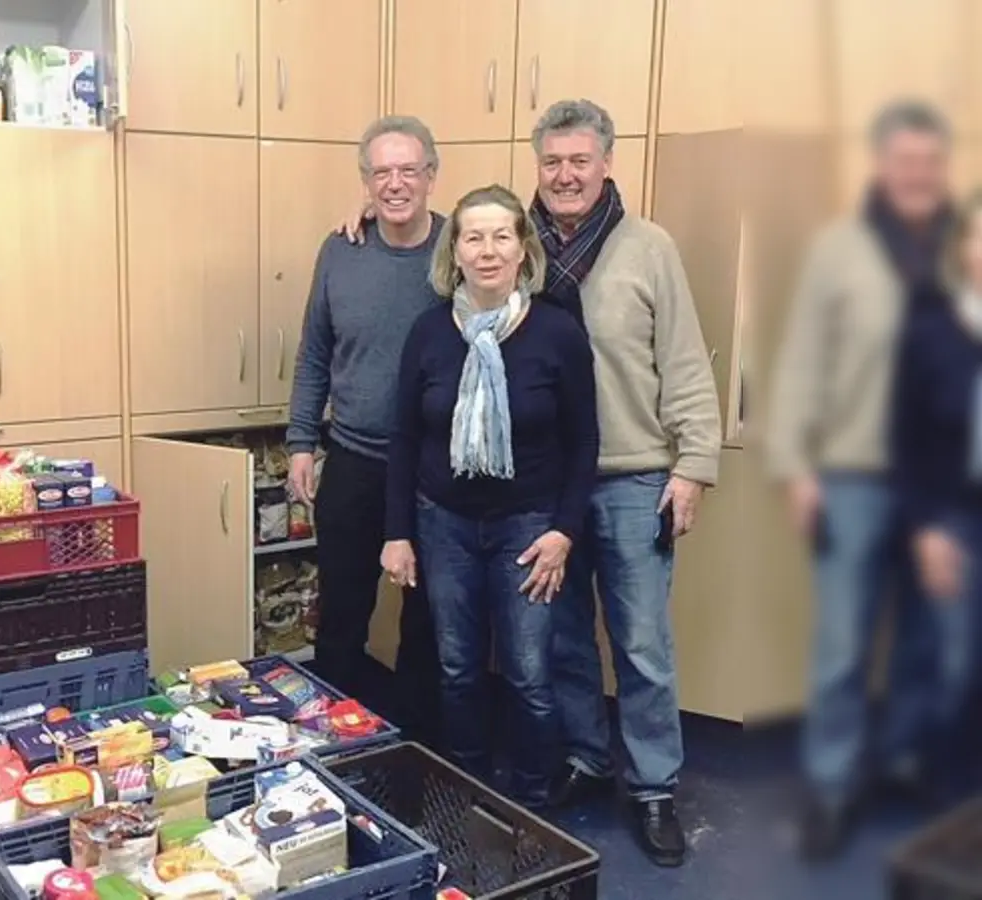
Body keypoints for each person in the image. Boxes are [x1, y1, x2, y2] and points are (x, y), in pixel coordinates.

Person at [338, 99, 721, 867]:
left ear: (607, 163)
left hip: (628, 474)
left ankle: (651, 789)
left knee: (640, 642)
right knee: (566, 642)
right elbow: (440, 229)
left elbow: (683, 359)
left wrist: (694, 464)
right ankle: (584, 759)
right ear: (536, 171)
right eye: (552, 162)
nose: (566, 174)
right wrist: (374, 216)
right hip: (539, 494)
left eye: (581, 160)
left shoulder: (646, 249)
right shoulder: (518, 243)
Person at [766, 100, 956, 860]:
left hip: (944, 488)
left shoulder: (963, 247)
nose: (917, 174)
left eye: (929, 162)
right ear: (882, 165)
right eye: (903, 161)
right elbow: (802, 364)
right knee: (844, 643)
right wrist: (793, 467)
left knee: (926, 636)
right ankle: (834, 787)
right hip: (856, 476)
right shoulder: (840, 251)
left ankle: (905, 762)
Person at [381, 184, 598, 808]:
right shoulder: (428, 332)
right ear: (455, 250)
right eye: (473, 237)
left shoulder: (556, 332)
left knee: (530, 673)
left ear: (522, 248)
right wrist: (398, 534)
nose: (487, 250)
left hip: (530, 528)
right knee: (457, 667)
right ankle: (467, 792)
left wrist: (563, 532)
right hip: (442, 523)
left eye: (502, 235)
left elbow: (585, 441)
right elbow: (404, 436)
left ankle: (529, 802)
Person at [285, 115, 446, 730]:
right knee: (343, 613)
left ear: (432, 176)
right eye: (382, 172)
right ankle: (332, 739)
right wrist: (301, 441)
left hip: (436, 469)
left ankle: (416, 746)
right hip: (352, 458)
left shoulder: (460, 249)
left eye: (409, 170)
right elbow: (314, 352)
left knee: (427, 619)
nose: (396, 184)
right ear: (365, 182)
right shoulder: (340, 250)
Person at [890, 187, 982, 805]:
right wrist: (924, 528)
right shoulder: (930, 331)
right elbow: (903, 436)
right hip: (951, 511)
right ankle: (938, 789)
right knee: (949, 658)